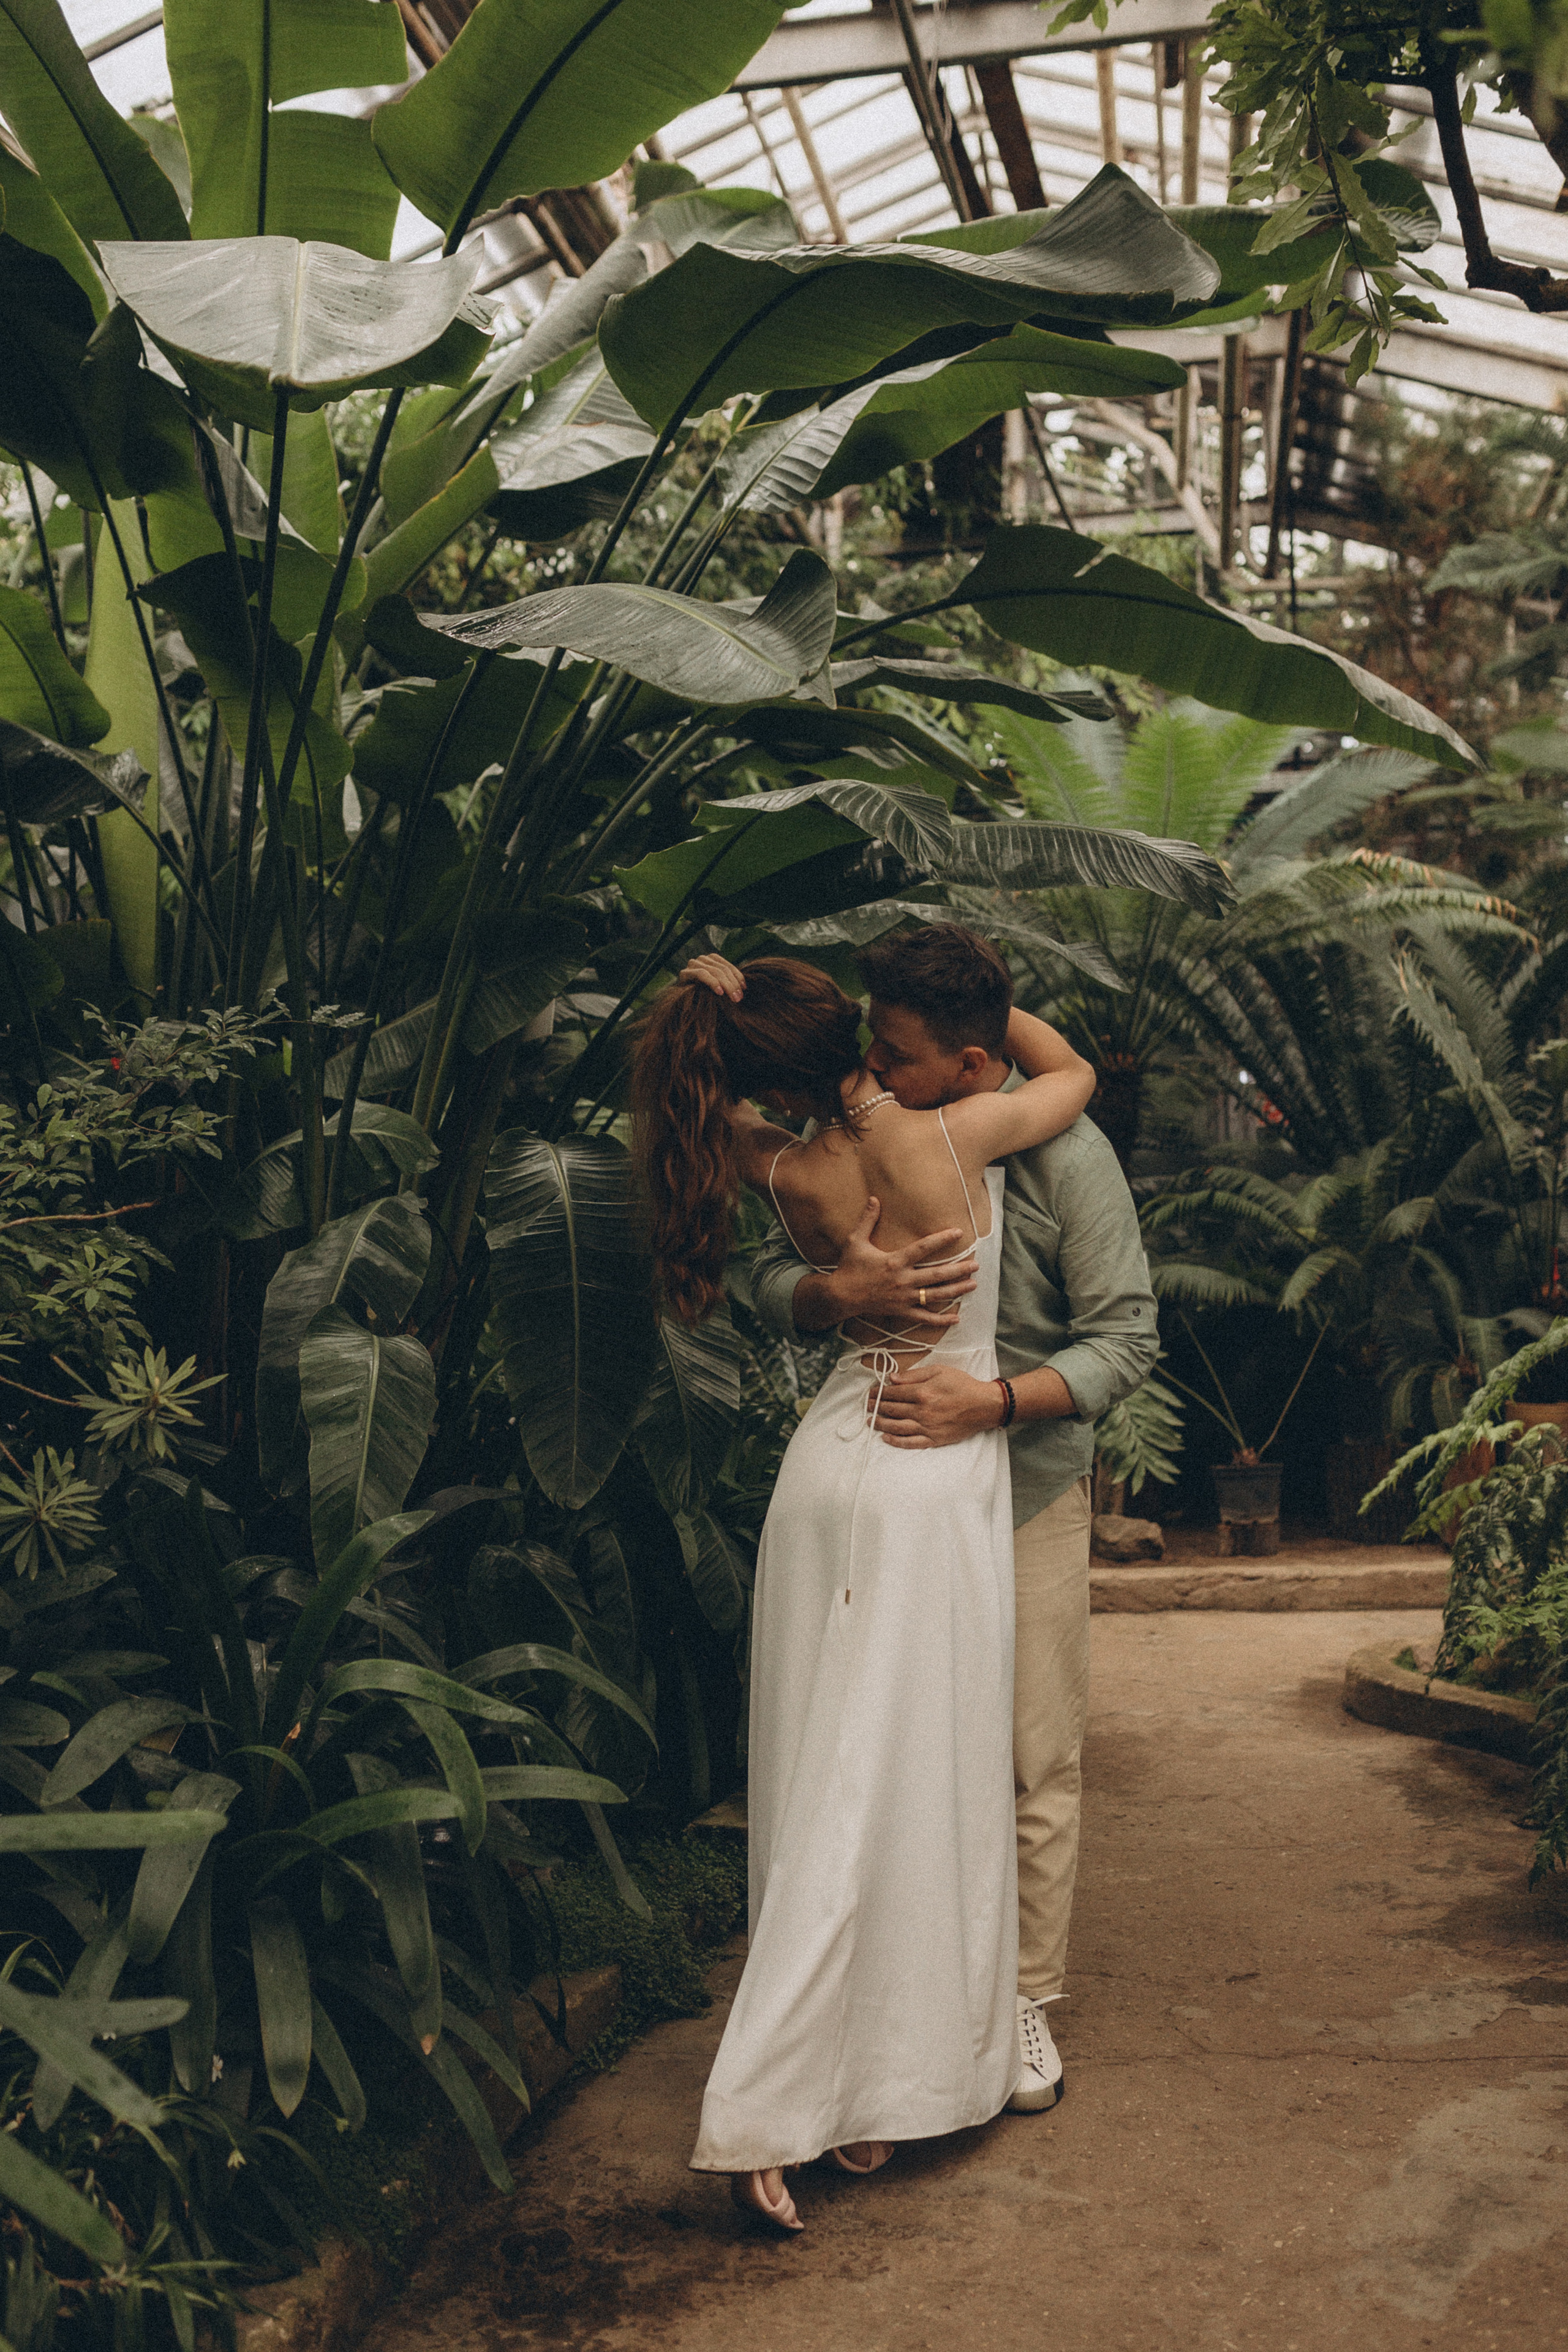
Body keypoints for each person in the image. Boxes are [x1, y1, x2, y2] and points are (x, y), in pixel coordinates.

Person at [632, 956, 1096, 2231]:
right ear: (863, 1044)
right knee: (901, 1785)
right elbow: (1072, 1072)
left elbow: (689, 1087)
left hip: (827, 1468)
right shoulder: (954, 1128)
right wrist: (979, 1015)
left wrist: (704, 990)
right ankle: (788, 2099)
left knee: (823, 1776)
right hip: (930, 1473)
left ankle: (857, 2084)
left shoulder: (771, 1165)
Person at [723, 925, 1159, 2122]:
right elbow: (770, 1279)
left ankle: (1018, 1996)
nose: (868, 1065)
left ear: (971, 1065)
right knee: (887, 1752)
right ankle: (894, 1999)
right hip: (889, 1487)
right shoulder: (869, 1134)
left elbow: (1127, 1339)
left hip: (1015, 1485)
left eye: (898, 1049)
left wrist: (992, 1401)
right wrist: (829, 1292)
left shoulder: (1061, 1153)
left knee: (1027, 1753)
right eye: (868, 1037)